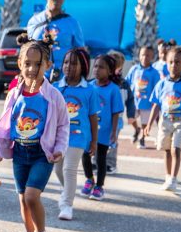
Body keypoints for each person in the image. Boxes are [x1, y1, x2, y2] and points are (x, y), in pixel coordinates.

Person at [0, 35, 69, 232]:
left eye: (38, 64)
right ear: (20, 64)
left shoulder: (53, 96)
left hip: (41, 154)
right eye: (27, 63)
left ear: (48, 65)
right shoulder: (15, 94)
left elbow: (64, 125)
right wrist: (0, 147)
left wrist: (60, 148)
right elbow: (5, 123)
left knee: (31, 197)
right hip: (20, 153)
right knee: (22, 199)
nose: (32, 69)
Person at [54, 46, 99, 220]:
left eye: (74, 63)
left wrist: (94, 141)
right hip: (59, 137)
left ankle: (66, 205)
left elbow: (93, 117)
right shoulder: (56, 87)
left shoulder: (89, 90)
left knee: (69, 168)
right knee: (58, 170)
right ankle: (68, 191)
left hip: (79, 136)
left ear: (84, 67)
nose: (68, 66)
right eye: (66, 62)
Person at [145, 45, 181, 191]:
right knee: (167, 150)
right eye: (171, 62)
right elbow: (156, 105)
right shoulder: (162, 84)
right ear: (166, 63)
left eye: (178, 62)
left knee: (176, 149)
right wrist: (149, 124)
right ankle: (168, 177)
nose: (174, 65)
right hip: (165, 121)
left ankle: (174, 178)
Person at [80, 55, 123, 201]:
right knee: (85, 155)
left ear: (110, 71)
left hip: (104, 132)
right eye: (96, 66)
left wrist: (114, 132)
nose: (97, 69)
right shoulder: (88, 86)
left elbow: (116, 112)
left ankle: (99, 186)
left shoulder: (114, 90)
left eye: (102, 67)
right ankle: (89, 179)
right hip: (87, 130)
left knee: (100, 159)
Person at [25, 0, 85, 79]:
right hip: (37, 77)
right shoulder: (34, 22)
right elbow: (27, 49)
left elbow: (81, 52)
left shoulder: (72, 23)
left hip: (64, 79)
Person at [127, 44, 159, 147]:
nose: (145, 57)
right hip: (134, 102)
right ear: (139, 55)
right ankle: (137, 129)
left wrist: (155, 102)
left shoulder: (154, 73)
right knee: (131, 118)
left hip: (147, 103)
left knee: (145, 122)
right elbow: (127, 82)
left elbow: (156, 88)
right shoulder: (134, 69)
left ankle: (142, 138)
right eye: (143, 55)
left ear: (152, 57)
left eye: (148, 55)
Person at [106, 50, 133, 173]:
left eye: (115, 66)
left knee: (112, 141)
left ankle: (110, 163)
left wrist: (131, 114)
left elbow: (130, 100)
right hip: (101, 118)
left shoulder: (123, 84)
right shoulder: (101, 82)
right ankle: (96, 161)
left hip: (117, 119)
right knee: (98, 140)